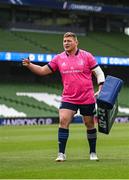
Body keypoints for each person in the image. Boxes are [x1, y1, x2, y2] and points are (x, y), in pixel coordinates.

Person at [22, 32, 105, 162]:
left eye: (69, 41)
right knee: (63, 121)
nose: (66, 43)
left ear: (76, 42)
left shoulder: (87, 56)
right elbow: (43, 70)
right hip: (69, 98)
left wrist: (100, 87)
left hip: (87, 97)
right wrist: (30, 65)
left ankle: (93, 152)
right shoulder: (59, 58)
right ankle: (61, 154)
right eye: (64, 41)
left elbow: (99, 73)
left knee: (89, 124)